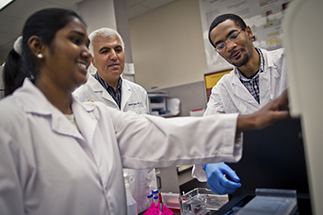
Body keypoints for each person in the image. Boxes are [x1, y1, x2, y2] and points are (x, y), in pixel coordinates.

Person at [0, 8, 290, 215]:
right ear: (38, 47)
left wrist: (248, 121)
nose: (87, 53)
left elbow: (158, 132)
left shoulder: (95, 116)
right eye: (76, 41)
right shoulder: (8, 124)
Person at [192, 13, 287, 195]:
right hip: (256, 176)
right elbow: (205, 130)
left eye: (233, 35)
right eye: (220, 45)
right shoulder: (223, 89)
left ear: (248, 32)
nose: (230, 46)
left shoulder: (287, 61)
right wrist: (209, 162)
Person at [73, 27, 156, 213]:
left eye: (118, 49)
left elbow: (148, 137)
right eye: (105, 51)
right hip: (107, 197)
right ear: (92, 60)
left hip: (144, 194)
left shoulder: (138, 92)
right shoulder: (79, 98)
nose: (114, 56)